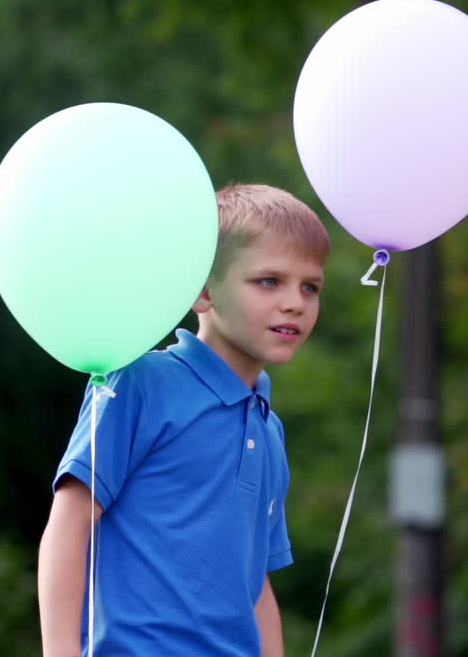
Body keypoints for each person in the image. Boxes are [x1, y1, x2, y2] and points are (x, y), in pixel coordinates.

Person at [38, 183, 331, 657]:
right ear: (203, 290)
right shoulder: (140, 382)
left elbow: (255, 587)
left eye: (310, 286)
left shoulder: (268, 429)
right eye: (269, 281)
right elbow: (69, 524)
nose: (295, 302)